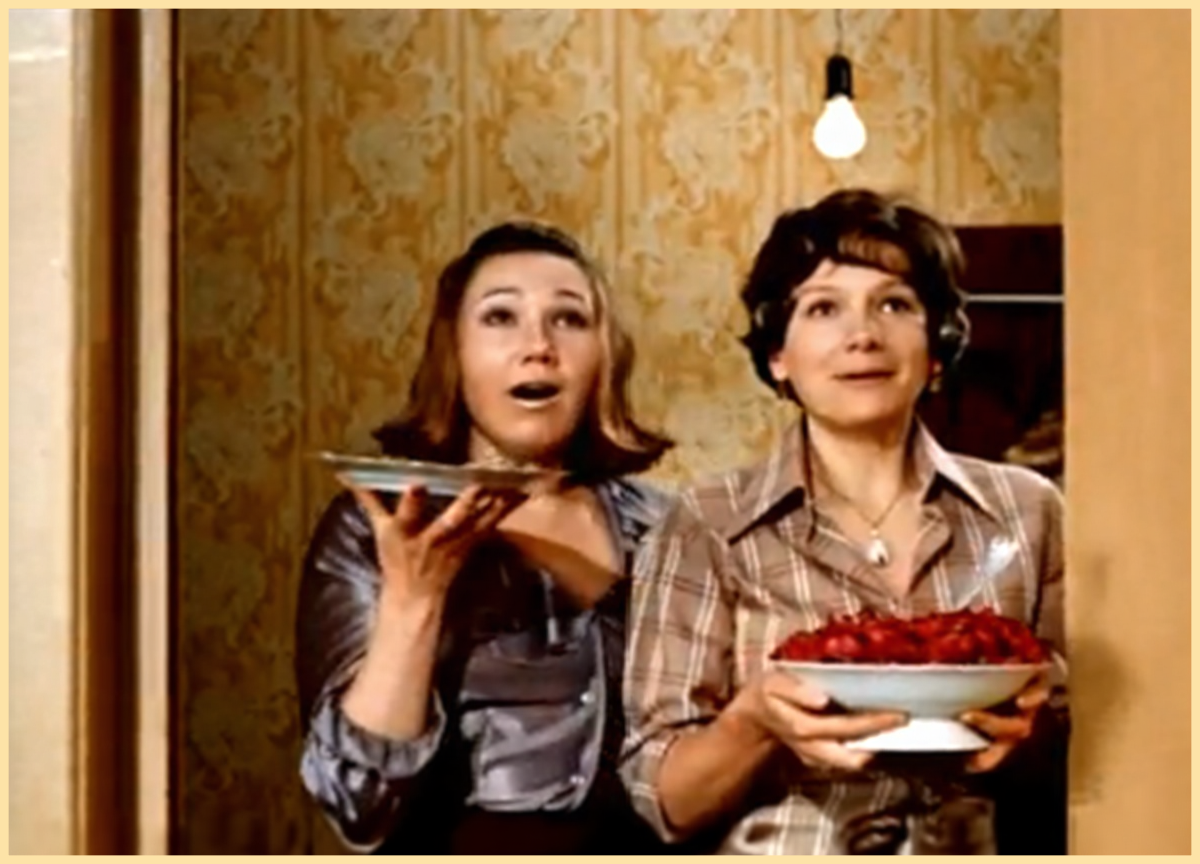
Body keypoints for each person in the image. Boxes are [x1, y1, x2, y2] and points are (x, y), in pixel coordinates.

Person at [620, 189, 1068, 854]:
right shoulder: (706, 523)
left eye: (895, 304)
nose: (863, 335)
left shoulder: (1030, 510)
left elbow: (1094, 748)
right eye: (823, 308)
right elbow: (667, 804)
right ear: (779, 355)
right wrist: (754, 720)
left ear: (938, 346)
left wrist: (1032, 735)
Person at [294, 221, 679, 854]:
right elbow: (356, 805)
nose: (539, 346)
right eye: (501, 317)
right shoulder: (378, 524)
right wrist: (414, 599)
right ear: (455, 353)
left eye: (569, 319)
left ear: (604, 356)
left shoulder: (664, 526)